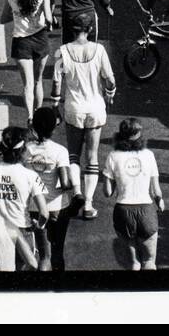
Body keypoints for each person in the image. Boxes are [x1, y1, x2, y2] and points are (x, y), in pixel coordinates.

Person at [51, 11, 116, 219]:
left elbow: (56, 83)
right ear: (90, 30)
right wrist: (110, 93)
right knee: (92, 156)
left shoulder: (62, 52)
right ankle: (88, 204)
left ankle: (77, 192)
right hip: (95, 109)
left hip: (73, 108)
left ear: (72, 29)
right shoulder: (99, 50)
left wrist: (55, 103)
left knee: (73, 155)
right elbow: (110, 79)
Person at [0, 126, 48, 265]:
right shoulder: (31, 176)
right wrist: (38, 226)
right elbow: (44, 213)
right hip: (21, 233)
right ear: (22, 150)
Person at [24, 107, 84, 272]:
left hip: (33, 207)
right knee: (57, 252)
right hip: (58, 207)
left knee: (43, 254)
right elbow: (65, 183)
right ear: (53, 127)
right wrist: (75, 185)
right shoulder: (60, 151)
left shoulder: (26, 150)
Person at [102, 117, 164, 271]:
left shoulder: (113, 156)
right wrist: (160, 201)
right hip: (146, 211)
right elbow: (156, 191)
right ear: (140, 136)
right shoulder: (149, 155)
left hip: (123, 211)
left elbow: (108, 192)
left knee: (133, 264)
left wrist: (110, 178)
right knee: (149, 261)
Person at [0, 0, 53, 123]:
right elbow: (49, 19)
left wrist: (17, 15)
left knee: (28, 84)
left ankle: (29, 116)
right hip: (40, 40)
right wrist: (48, 23)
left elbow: (3, 19)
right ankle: (37, 115)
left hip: (21, 43)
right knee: (38, 81)